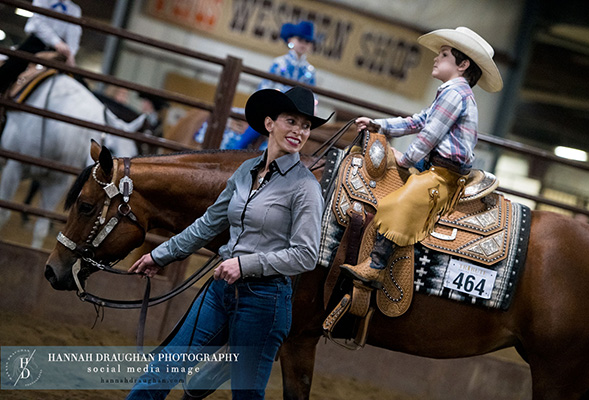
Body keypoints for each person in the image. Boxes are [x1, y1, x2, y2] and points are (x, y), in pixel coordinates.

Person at [126, 86, 331, 399]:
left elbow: (305, 255)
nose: (299, 131)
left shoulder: (305, 189)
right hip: (219, 292)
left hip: (265, 301)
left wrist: (244, 264)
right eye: (291, 121)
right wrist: (161, 255)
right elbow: (210, 223)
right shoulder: (246, 171)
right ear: (270, 123)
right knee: (161, 371)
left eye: (305, 126)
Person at [340, 27, 503, 288]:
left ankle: (376, 266)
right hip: (436, 169)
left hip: (444, 175)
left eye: (445, 54)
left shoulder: (455, 94)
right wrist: (378, 125)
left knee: (403, 199)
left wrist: (405, 160)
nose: (437, 58)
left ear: (462, 64)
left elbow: (429, 135)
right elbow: (418, 120)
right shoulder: (451, 92)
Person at [220, 20, 318, 150]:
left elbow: (313, 96)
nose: (304, 44)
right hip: (274, 107)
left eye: (307, 41)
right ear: (291, 40)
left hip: (296, 112)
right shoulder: (279, 63)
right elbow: (266, 86)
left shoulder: (310, 71)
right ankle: (237, 150)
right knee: (255, 129)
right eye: (300, 40)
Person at [0, 0, 82, 93]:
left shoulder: (74, 9)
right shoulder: (43, 0)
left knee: (77, 78)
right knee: (12, 66)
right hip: (36, 42)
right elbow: (38, 22)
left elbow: (74, 33)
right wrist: (56, 42)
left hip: (58, 50)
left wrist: (71, 53)